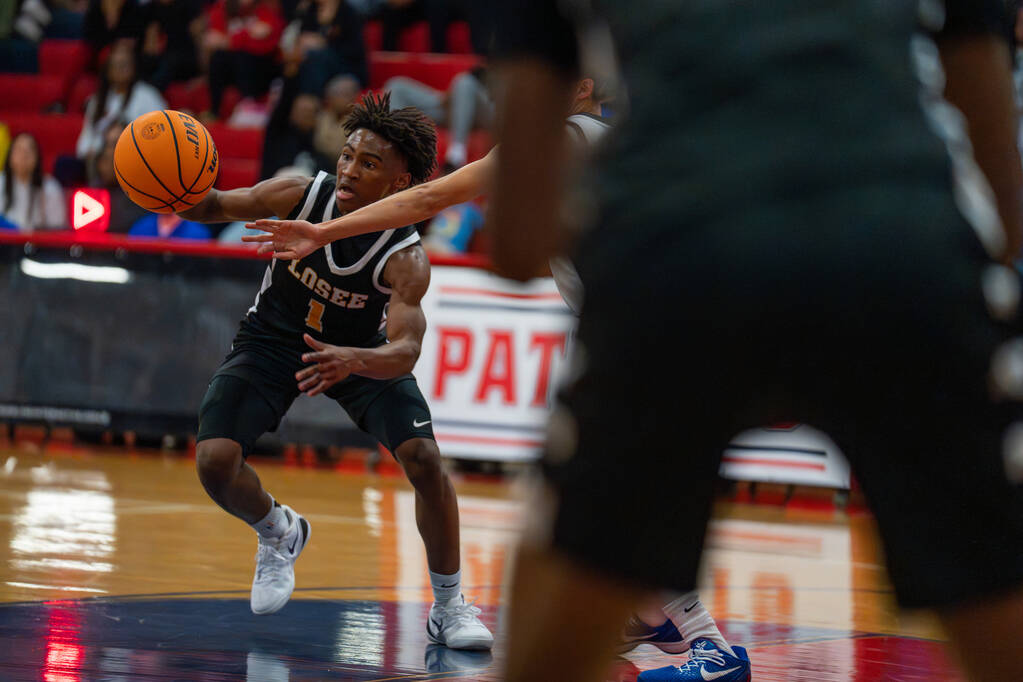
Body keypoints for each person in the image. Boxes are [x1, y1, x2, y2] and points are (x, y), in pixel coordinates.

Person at [486, 1, 1023, 682]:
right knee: (995, 601)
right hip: (898, 242)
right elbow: (1002, 200)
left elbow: (516, 246)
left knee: (560, 590)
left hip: (677, 253)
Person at [240, 75, 747, 671]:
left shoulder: (566, 137)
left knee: (626, 487)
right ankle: (656, 618)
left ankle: (709, 645)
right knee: (609, 486)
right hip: (658, 323)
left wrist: (323, 230)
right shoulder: (607, 141)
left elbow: (429, 200)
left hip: (662, 329)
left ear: (577, 86)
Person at [176, 93, 493, 651]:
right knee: (214, 461)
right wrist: (168, 189)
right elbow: (217, 205)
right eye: (348, 155)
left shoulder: (405, 257)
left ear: (400, 185)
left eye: (369, 163)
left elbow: (405, 351)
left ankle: (448, 606)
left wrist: (355, 360)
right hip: (271, 340)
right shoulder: (302, 193)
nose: (348, 168)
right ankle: (279, 532)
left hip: (357, 352)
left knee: (425, 459)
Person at [385, 65, 491, 172]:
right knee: (396, 85)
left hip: (488, 108)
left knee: (465, 82)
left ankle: (456, 156)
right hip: (457, 103)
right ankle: (396, 145)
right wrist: (455, 95)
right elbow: (479, 72)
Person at [76, 43, 166, 160]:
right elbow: (85, 140)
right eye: (117, 65)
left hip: (137, 157)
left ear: (133, 67)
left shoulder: (148, 95)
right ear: (108, 70)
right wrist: (92, 152)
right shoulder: (97, 100)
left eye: (125, 65)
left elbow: (163, 131)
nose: (122, 69)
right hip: (100, 161)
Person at [202, 0, 285, 122]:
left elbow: (265, 45)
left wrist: (229, 41)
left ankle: (249, 104)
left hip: (262, 68)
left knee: (244, 56)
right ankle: (214, 111)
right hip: (233, 68)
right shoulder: (223, 7)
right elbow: (212, 39)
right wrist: (247, 35)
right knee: (218, 58)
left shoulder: (267, 8)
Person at [0, 132, 66, 231]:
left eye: (29, 151)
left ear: (37, 157)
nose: (23, 156)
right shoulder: (1, 181)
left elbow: (57, 228)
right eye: (19, 150)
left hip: (38, 244)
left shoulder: (50, 188)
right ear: (10, 155)